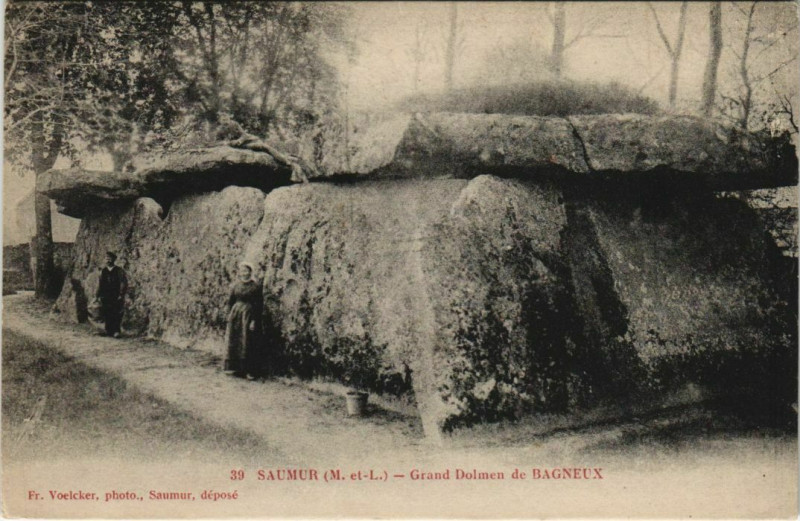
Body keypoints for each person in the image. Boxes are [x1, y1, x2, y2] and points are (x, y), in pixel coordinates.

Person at [225, 262, 263, 378]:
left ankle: (249, 370)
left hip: (248, 315)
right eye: (242, 271)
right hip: (236, 315)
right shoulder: (235, 286)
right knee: (235, 340)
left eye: (246, 271)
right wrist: (229, 315)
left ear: (250, 272)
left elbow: (259, 304)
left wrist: (254, 320)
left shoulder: (255, 287)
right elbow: (230, 301)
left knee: (247, 341)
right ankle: (236, 368)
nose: (244, 273)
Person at [96, 251, 127, 338]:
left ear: (114, 259)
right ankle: (108, 330)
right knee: (106, 312)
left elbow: (123, 283)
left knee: (116, 312)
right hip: (105, 295)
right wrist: (98, 295)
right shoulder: (103, 271)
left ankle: (116, 331)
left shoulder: (119, 270)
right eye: (106, 258)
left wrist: (121, 294)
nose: (108, 260)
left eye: (110, 258)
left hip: (115, 295)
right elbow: (100, 284)